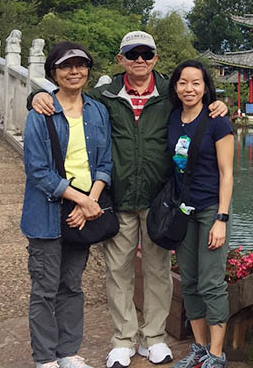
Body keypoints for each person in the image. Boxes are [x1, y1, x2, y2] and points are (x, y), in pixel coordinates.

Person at [30, 31, 228, 368]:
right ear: (121, 59)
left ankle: (154, 337)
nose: (139, 60)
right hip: (118, 196)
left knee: (158, 270)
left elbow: (201, 99)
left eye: (146, 54)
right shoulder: (106, 95)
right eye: (132, 54)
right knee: (117, 270)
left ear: (155, 58)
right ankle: (123, 339)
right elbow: (70, 98)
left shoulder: (171, 91)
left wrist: (220, 103)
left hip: (160, 200)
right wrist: (36, 95)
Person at [22, 42, 113, 368]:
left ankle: (68, 352)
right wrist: (82, 199)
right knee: (45, 287)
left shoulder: (97, 111)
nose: (74, 71)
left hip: (83, 210)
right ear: (53, 73)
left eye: (81, 65)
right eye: (66, 66)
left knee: (72, 285)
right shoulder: (42, 112)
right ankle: (45, 358)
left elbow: (105, 162)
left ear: (88, 70)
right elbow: (38, 171)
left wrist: (91, 200)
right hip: (48, 211)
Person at [167, 60, 234, 368]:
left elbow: (227, 172)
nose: (189, 88)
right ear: (175, 86)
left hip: (210, 209)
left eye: (196, 83)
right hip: (183, 210)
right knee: (190, 281)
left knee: (211, 282)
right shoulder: (172, 118)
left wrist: (222, 219)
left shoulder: (218, 120)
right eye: (183, 82)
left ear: (206, 87)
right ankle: (200, 347)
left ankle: (218, 354)